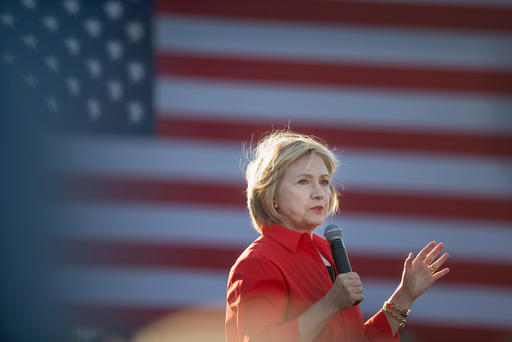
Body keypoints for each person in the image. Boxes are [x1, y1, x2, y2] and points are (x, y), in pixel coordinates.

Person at [225, 131, 450, 342]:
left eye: (324, 181)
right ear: (270, 194)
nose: (319, 192)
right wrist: (330, 305)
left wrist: (405, 295)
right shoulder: (258, 262)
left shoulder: (325, 249)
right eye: (303, 181)